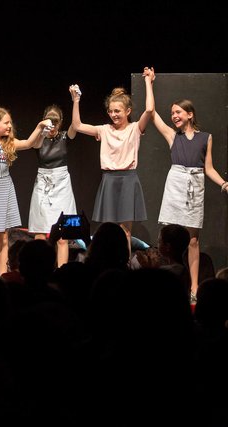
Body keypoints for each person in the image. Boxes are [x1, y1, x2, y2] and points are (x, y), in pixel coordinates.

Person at [69, 67, 155, 256]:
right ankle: (106, 263)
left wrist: (149, 81)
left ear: (128, 111)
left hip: (128, 179)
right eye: (111, 111)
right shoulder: (104, 130)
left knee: (125, 231)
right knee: (107, 229)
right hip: (109, 179)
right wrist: (76, 101)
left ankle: (124, 265)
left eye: (118, 111)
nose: (114, 114)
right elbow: (77, 125)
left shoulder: (135, 128)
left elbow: (149, 110)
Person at [151, 95, 228, 302]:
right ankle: (169, 282)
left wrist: (223, 183)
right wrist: (149, 82)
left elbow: (208, 168)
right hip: (176, 182)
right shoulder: (172, 136)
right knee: (169, 236)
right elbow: (152, 113)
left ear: (190, 114)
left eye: (178, 112)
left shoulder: (206, 137)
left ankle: (194, 288)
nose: (174, 116)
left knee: (193, 240)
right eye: (172, 113)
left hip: (195, 184)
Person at [0, 104, 51, 275]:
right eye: (6, 122)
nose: (10, 126)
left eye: (10, 123)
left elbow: (28, 143)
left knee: (3, 237)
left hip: (4, 189)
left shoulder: (9, 144)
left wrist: (40, 126)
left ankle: (3, 275)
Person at [27, 104, 78, 268]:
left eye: (56, 123)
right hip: (43, 185)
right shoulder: (39, 138)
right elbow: (31, 143)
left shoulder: (64, 137)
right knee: (40, 234)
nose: (53, 127)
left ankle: (63, 272)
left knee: (64, 235)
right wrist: (41, 127)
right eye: (50, 122)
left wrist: (75, 100)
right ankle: (38, 270)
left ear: (61, 123)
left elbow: (76, 125)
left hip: (63, 185)